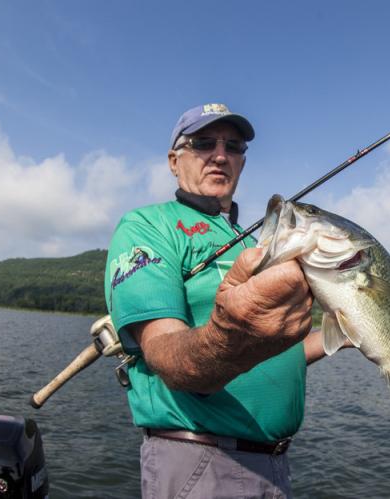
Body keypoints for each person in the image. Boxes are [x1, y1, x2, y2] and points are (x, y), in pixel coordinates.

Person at [104, 103, 337, 498]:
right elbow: (164, 353)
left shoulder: (257, 244)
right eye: (204, 142)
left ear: (243, 163)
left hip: (276, 466)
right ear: (174, 161)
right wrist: (232, 333)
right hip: (199, 460)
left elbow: (280, 350)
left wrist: (343, 336)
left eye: (234, 146)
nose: (220, 155)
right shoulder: (147, 225)